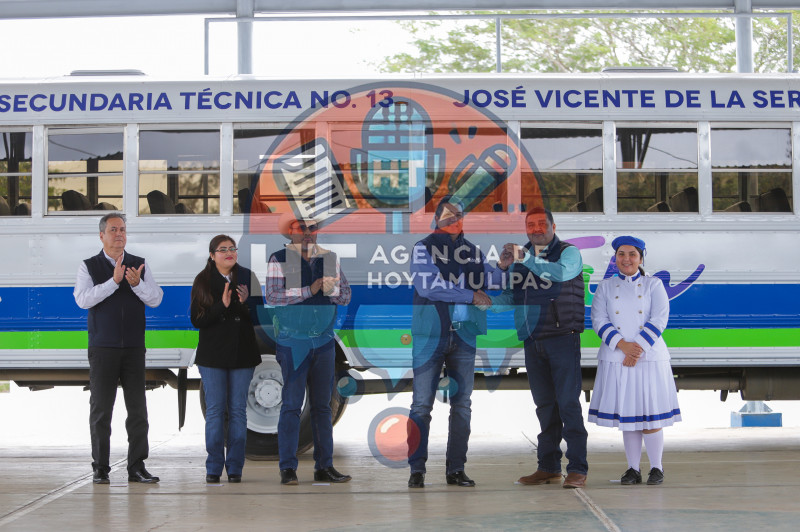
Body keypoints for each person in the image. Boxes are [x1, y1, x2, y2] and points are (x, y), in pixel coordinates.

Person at [489, 207, 589, 489]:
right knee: (545, 406)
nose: (536, 229)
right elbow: (510, 298)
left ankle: (577, 469)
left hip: (562, 337)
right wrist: (485, 297)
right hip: (532, 340)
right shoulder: (520, 260)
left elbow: (560, 274)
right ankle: (548, 467)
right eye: (530, 224)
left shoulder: (569, 253)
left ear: (553, 227)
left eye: (541, 224)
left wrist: (525, 258)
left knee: (568, 404)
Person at [406, 196, 500, 489]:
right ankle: (417, 470)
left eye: (458, 215)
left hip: (464, 335)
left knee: (462, 405)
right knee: (421, 405)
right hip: (430, 336)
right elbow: (429, 287)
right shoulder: (423, 248)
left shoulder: (473, 251)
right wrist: (471, 295)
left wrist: (505, 266)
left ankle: (456, 469)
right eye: (447, 215)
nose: (453, 220)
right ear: (436, 219)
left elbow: (492, 280)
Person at [73, 212, 163, 484]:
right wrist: (113, 282)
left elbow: (156, 299)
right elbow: (83, 300)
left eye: (122, 229)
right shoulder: (89, 266)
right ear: (102, 235)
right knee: (101, 410)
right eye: (113, 230)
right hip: (103, 348)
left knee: (138, 411)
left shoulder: (139, 264)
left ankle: (137, 467)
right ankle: (100, 468)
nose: (119, 234)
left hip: (134, 348)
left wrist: (136, 284)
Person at [588, 236, 681, 486]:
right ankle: (632, 469)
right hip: (617, 356)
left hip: (648, 358)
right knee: (628, 417)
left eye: (632, 254)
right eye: (621, 254)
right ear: (615, 258)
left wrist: (636, 349)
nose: (626, 259)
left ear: (641, 258)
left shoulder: (653, 285)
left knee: (651, 415)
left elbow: (660, 318)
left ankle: (657, 468)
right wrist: (623, 346)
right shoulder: (605, 287)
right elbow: (598, 320)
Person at [266, 215, 352, 485]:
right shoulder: (279, 259)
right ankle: (287, 469)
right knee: (292, 405)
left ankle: (324, 466)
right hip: (294, 342)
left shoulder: (329, 258)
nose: (308, 233)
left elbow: (346, 296)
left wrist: (331, 290)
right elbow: (272, 296)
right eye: (301, 228)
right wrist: (310, 289)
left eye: (312, 228)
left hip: (323, 342)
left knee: (323, 408)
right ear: (290, 232)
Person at [191, 235, 263, 484]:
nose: (229, 253)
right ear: (212, 255)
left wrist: (245, 303)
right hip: (212, 356)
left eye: (232, 248)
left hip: (243, 353)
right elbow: (197, 320)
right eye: (223, 250)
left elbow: (261, 316)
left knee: (238, 411)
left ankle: (235, 468)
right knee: (214, 411)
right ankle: (213, 467)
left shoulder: (247, 277)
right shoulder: (202, 280)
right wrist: (221, 306)